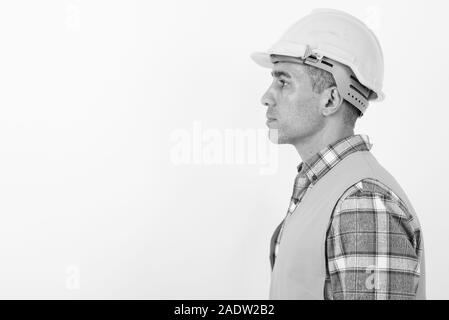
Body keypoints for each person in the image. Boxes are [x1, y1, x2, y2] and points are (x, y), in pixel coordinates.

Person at [251, 8, 426, 300]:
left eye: (283, 81)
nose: (266, 97)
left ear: (330, 99)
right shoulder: (325, 188)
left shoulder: (362, 201)